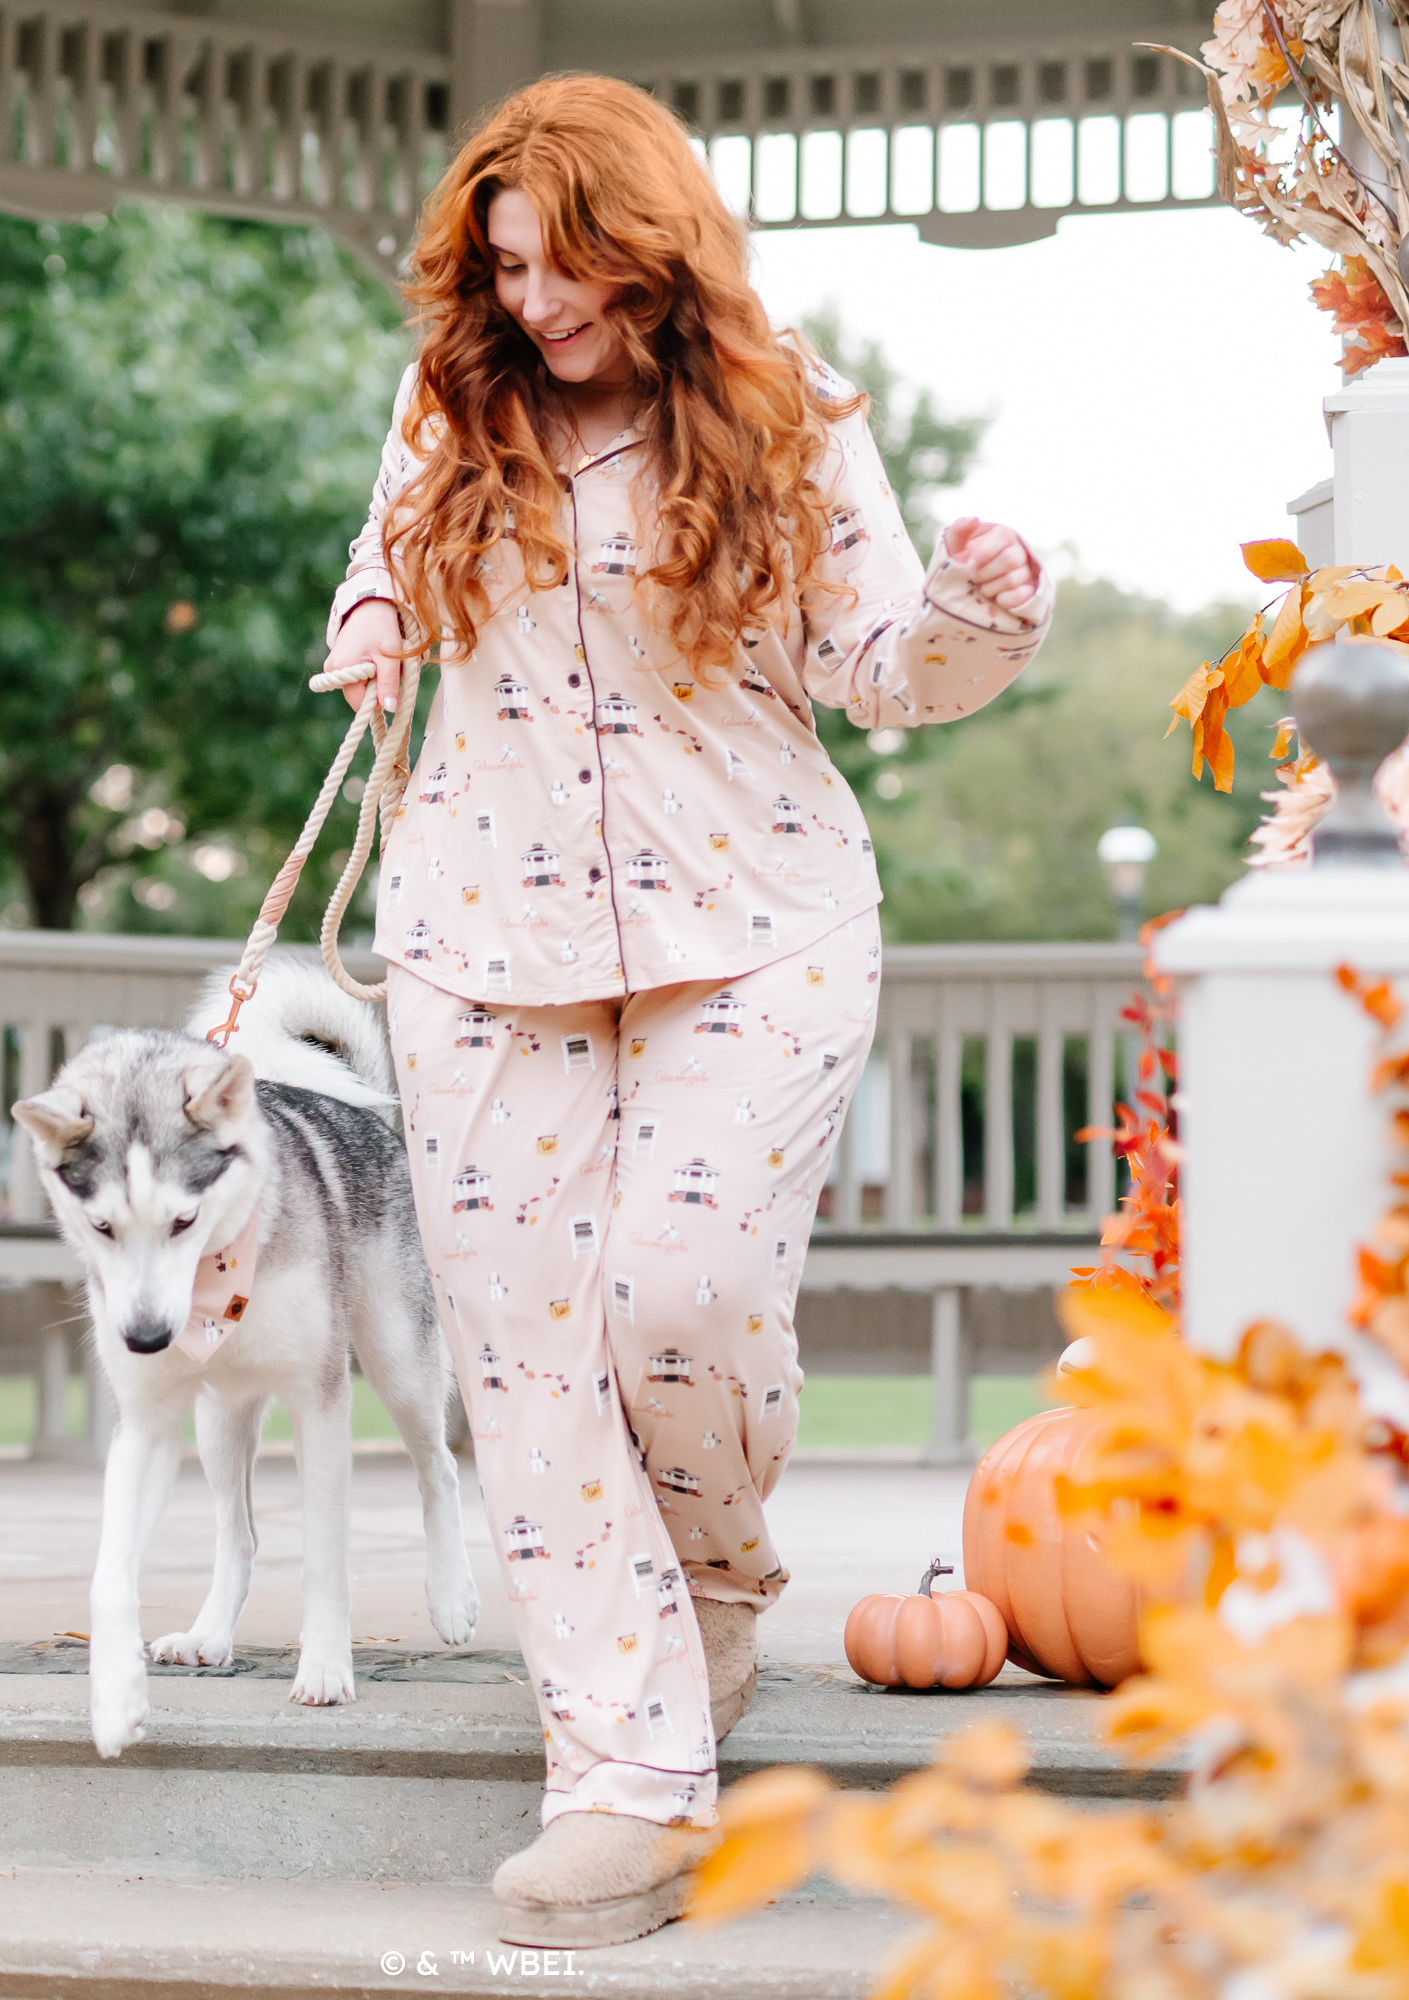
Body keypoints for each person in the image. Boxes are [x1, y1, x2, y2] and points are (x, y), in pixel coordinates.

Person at [320, 74, 1049, 1948]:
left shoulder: (787, 414)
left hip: (761, 917)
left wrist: (981, 615)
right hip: (484, 935)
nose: (539, 307)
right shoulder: (450, 401)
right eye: (505, 271)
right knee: (524, 1354)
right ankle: (626, 1781)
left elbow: (884, 668)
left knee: (680, 1295)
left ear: (652, 251)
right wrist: (371, 625)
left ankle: (713, 1583)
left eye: (568, 271)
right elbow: (383, 567)